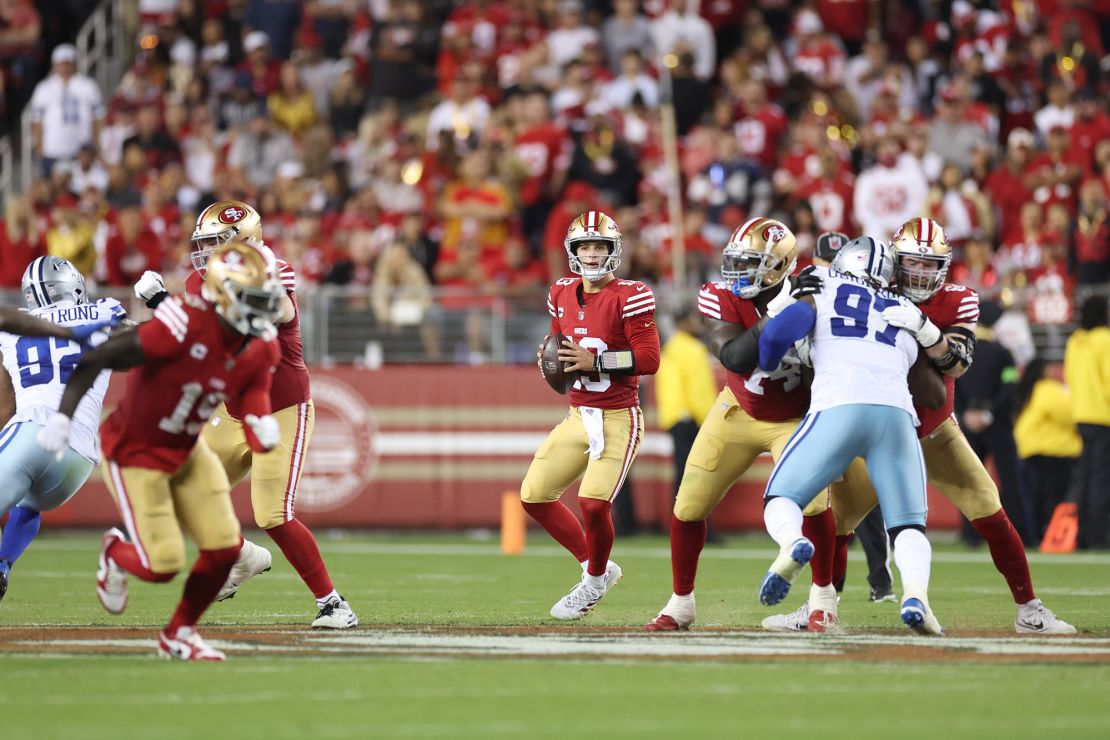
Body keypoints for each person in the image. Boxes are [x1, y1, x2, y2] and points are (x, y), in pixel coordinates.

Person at [770, 218, 1075, 634]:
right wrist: (808, 284)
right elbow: (831, 282)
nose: (920, 273)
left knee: (989, 509)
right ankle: (819, 606)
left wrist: (925, 329)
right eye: (912, 263)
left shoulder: (958, 300)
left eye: (930, 265)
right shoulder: (874, 285)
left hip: (932, 428)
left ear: (945, 267)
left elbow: (960, 363)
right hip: (883, 423)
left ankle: (1030, 608)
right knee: (835, 521)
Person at [37, 242, 284, 660]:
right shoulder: (179, 325)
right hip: (137, 449)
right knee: (162, 564)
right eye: (252, 300)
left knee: (225, 550)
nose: (263, 311)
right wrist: (63, 416)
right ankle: (115, 550)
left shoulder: (261, 346)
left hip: (188, 449)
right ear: (223, 299)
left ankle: (178, 635)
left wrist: (261, 425)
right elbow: (98, 357)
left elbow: (255, 393)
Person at [134, 200, 357, 628]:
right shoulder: (202, 281)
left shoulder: (274, 272)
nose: (206, 252)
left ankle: (333, 604)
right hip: (233, 408)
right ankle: (243, 557)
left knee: (272, 513)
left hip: (280, 409)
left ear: (245, 243)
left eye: (216, 241)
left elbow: (268, 316)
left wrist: (165, 301)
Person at [644, 218, 841, 633]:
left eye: (751, 263)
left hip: (795, 415)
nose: (738, 271)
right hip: (739, 408)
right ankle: (681, 602)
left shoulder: (817, 293)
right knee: (689, 504)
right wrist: (779, 313)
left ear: (781, 265)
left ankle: (823, 600)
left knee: (816, 506)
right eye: (736, 261)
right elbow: (734, 356)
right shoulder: (719, 296)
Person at [755, 236, 945, 635]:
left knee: (781, 497)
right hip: (896, 415)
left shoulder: (823, 283)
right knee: (909, 526)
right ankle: (916, 597)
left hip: (839, 403)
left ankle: (792, 545)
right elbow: (933, 390)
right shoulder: (905, 307)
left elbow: (773, 338)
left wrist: (775, 363)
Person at [521, 210, 659, 620]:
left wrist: (594, 360)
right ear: (573, 251)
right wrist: (552, 360)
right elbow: (559, 344)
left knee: (594, 504)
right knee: (534, 495)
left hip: (619, 415)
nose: (593, 254)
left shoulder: (630, 294)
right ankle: (595, 566)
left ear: (613, 250)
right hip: (578, 414)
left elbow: (649, 358)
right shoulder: (561, 291)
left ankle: (593, 581)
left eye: (600, 246)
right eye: (586, 246)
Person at [0, 257, 122, 601]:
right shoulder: (105, 310)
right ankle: (3, 563)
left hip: (32, 431)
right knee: (28, 504)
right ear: (75, 286)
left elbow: (4, 404)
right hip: (77, 462)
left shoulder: (12, 325)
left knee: (20, 478)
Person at [954, 301, 1032, 545]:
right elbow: (1009, 386)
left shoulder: (963, 352)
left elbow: (953, 384)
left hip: (969, 425)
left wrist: (967, 413)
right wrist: (990, 413)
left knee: (970, 481)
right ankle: (1022, 535)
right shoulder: (1003, 353)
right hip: (997, 426)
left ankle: (970, 536)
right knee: (1010, 481)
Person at [654, 307, 716, 508]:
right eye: (694, 319)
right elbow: (699, 390)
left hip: (675, 418)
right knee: (697, 473)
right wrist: (707, 417)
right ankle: (698, 522)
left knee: (683, 472)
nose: (697, 324)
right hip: (692, 419)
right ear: (684, 323)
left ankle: (681, 520)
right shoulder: (694, 350)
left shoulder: (670, 348)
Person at [1014, 357, 1081, 541]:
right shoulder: (1048, 390)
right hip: (1054, 451)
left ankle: (1036, 535)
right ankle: (1052, 537)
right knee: (1054, 498)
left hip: (1030, 450)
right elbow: (1070, 416)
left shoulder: (1028, 391)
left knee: (1036, 497)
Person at [1064, 295, 1110, 550]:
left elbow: (1070, 377)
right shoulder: (1105, 340)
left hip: (1081, 415)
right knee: (1101, 480)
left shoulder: (1075, 341)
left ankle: (1080, 536)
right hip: (1104, 416)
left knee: (1085, 478)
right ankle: (1098, 537)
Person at [28, 44, 105, 176]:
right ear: (55, 64)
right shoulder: (44, 88)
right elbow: (36, 120)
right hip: (53, 149)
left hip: (82, 149)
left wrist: (97, 141)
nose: (65, 67)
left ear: (75, 64)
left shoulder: (88, 85)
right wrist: (39, 143)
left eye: (68, 63)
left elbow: (98, 117)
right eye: (61, 64)